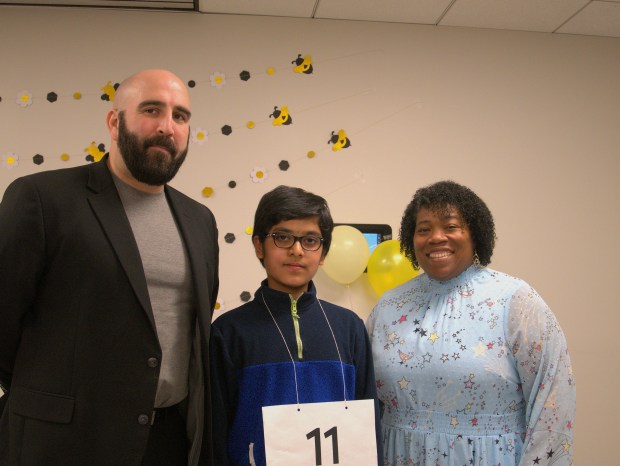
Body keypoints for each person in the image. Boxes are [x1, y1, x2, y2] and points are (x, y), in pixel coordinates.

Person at [0, 69, 219, 465]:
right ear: (114, 122)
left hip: (170, 442)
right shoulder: (41, 199)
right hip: (66, 443)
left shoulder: (200, 220)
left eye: (180, 116)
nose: (167, 127)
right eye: (152, 109)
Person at [366, 180, 575, 466]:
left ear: (475, 234)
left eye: (451, 226)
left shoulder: (515, 301)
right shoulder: (388, 306)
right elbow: (364, 400)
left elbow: (553, 401)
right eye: (424, 229)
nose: (436, 237)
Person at [210, 185, 382, 466]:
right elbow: (216, 430)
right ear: (258, 246)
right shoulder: (229, 332)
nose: (297, 250)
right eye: (282, 237)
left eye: (310, 240)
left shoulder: (349, 328)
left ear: (323, 252)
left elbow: (368, 422)